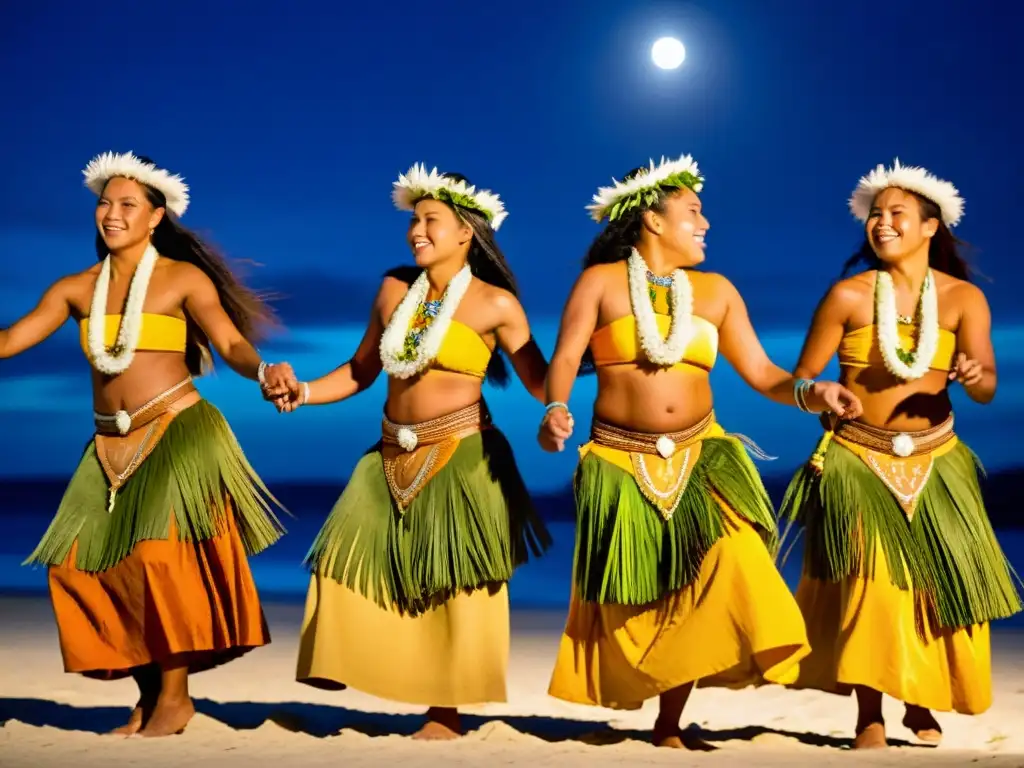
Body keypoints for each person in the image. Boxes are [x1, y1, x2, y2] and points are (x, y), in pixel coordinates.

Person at [538, 154, 863, 750]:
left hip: (702, 454)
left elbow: (763, 372)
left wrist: (811, 392)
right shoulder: (603, 283)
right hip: (618, 459)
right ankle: (663, 722)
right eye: (693, 211)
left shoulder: (716, 293)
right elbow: (564, 359)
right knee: (648, 593)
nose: (706, 221)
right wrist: (555, 409)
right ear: (653, 221)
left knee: (735, 558)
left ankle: (671, 721)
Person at [1, 151, 291, 737]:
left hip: (178, 430)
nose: (111, 214)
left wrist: (264, 372)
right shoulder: (76, 289)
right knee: (83, 568)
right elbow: (10, 339)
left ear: (156, 216)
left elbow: (232, 345)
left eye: (127, 204)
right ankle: (151, 691)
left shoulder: (184, 279)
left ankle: (176, 699)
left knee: (160, 561)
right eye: (104, 203)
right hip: (108, 446)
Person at [268, 164, 557, 740]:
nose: (416, 231)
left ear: (465, 232)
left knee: (454, 583)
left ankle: (444, 712)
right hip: (388, 452)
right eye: (414, 220)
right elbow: (359, 371)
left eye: (431, 220)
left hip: (464, 452)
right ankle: (344, 660)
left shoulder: (496, 305)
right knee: (340, 561)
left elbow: (541, 380)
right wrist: (302, 392)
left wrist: (564, 401)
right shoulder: (394, 290)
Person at [778, 160, 1022, 749]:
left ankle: (918, 698)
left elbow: (987, 388)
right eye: (876, 215)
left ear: (931, 227)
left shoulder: (965, 301)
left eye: (897, 215)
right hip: (859, 458)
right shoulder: (848, 296)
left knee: (934, 586)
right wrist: (821, 394)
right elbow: (801, 380)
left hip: (938, 460)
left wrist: (974, 372)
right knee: (872, 585)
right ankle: (869, 714)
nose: (881, 224)